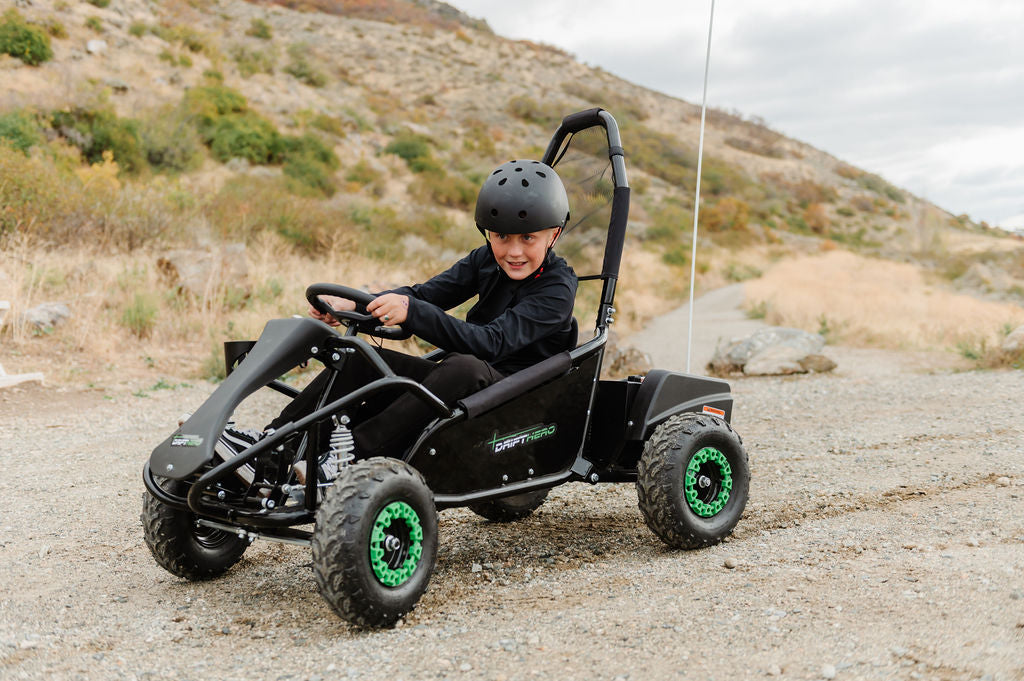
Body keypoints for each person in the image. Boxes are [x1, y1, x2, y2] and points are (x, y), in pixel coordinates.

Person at [266, 159, 578, 468]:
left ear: (553, 235)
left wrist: (413, 312)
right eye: (501, 236)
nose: (513, 251)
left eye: (528, 238)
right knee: (357, 358)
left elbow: (490, 343)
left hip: (518, 400)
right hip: (464, 386)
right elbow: (423, 295)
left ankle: (351, 459)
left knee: (464, 366)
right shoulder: (485, 260)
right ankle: (274, 447)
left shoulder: (557, 288)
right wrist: (353, 306)